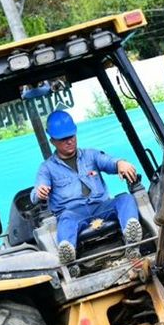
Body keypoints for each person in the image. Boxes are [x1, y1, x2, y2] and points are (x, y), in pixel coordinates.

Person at [29, 107, 142, 269]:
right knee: (65, 219)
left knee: (125, 199)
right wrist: (39, 193)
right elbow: (36, 193)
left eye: (71, 136)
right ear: (52, 141)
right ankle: (69, 259)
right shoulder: (47, 168)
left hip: (101, 207)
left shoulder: (91, 155)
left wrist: (120, 163)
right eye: (63, 139)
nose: (69, 141)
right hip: (73, 213)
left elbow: (109, 162)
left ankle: (132, 242)